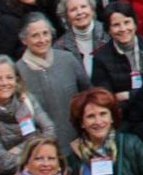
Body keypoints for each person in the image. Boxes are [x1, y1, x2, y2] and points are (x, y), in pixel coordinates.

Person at [15, 13, 92, 149]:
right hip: (41, 148)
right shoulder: (17, 72)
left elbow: (88, 93)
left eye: (45, 33)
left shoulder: (68, 59)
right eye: (35, 35)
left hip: (76, 142)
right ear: (24, 40)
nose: (42, 39)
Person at [93, 2, 143, 125]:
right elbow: (107, 98)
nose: (123, 29)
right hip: (125, 119)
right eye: (116, 25)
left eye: (127, 22)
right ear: (108, 30)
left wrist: (129, 94)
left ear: (135, 24)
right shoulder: (101, 58)